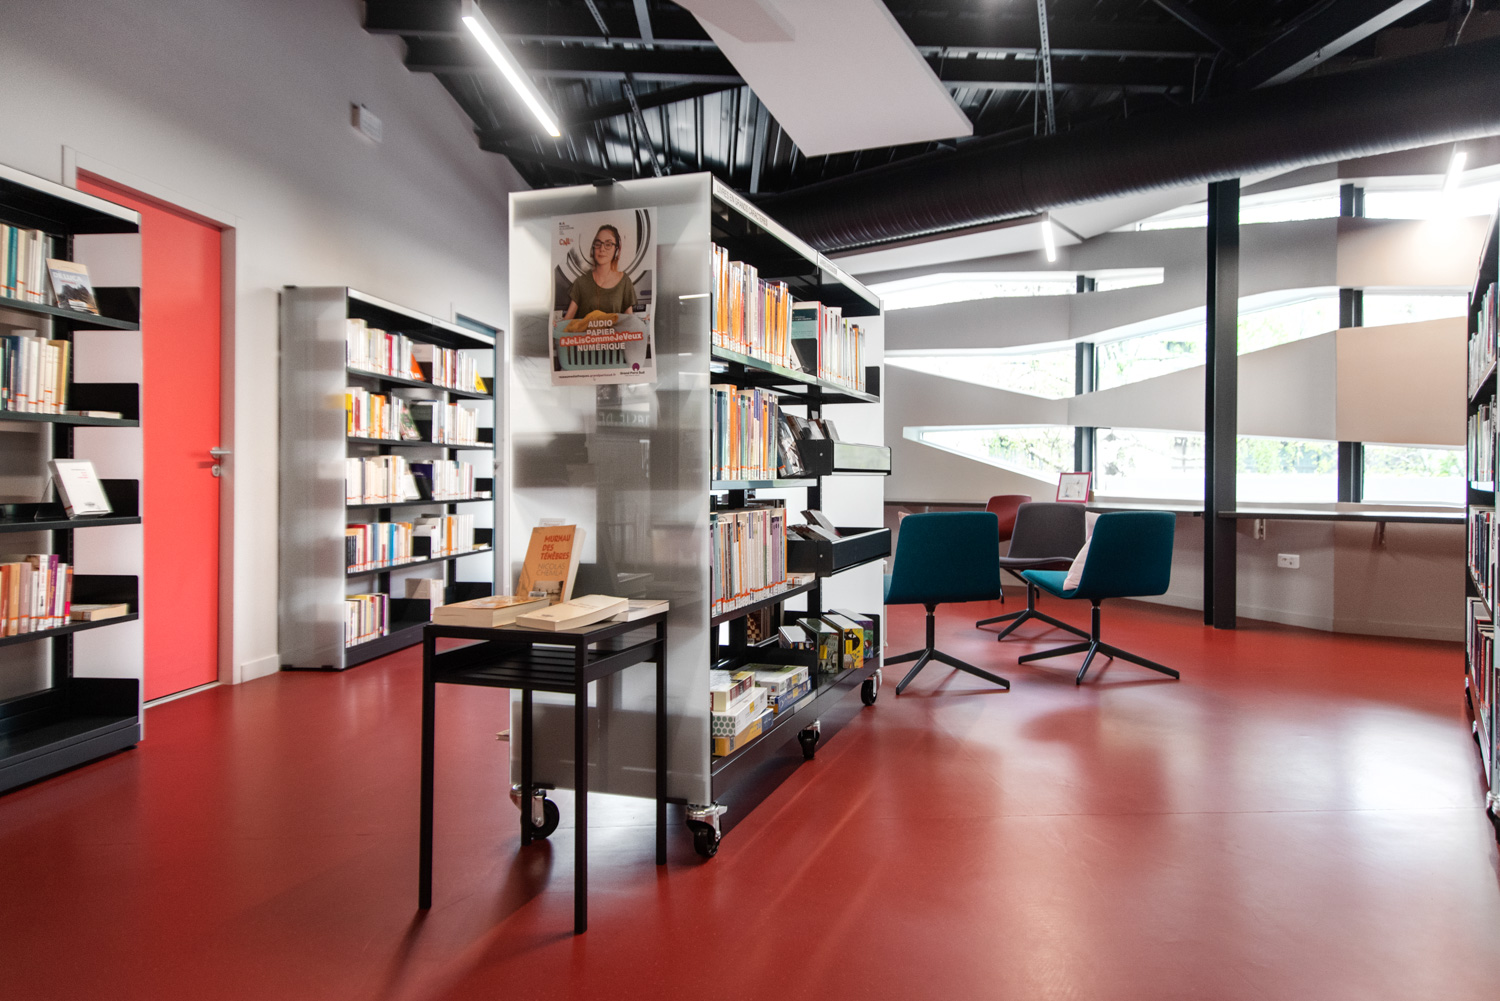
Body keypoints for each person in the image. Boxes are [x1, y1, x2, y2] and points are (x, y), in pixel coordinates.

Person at [563, 224, 637, 319]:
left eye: (608, 244)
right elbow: (567, 321)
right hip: (585, 329)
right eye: (598, 244)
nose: (602, 249)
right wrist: (555, 324)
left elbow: (630, 321)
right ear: (593, 248)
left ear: (616, 250)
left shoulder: (624, 281)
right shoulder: (581, 282)